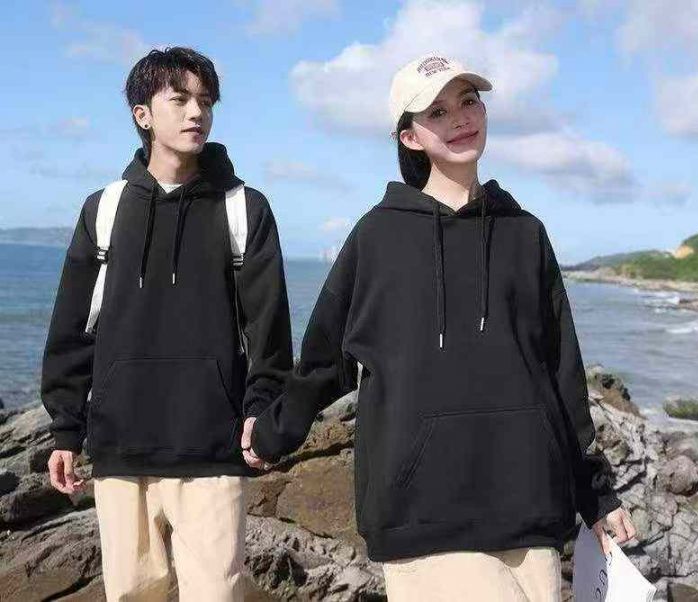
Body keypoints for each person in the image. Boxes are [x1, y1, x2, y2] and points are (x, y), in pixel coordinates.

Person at [242, 54, 636, 601]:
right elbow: (325, 361)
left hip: (528, 503)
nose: (460, 118)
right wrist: (272, 432)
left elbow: (561, 372)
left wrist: (596, 495)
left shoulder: (525, 234)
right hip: (421, 512)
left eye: (468, 101)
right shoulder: (377, 237)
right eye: (438, 111)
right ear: (409, 137)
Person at [41, 46, 292, 601]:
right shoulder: (104, 209)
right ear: (143, 114)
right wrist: (65, 430)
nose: (196, 112)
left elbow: (270, 332)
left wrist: (261, 412)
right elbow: (72, 329)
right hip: (119, 447)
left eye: (206, 101)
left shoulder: (243, 209)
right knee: (132, 594)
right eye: (179, 99)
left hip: (212, 447)